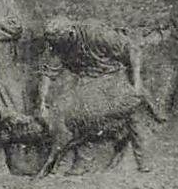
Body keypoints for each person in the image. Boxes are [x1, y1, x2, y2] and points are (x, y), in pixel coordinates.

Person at [36, 15, 156, 173]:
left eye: (58, 41)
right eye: (53, 43)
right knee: (75, 114)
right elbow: (48, 73)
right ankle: (82, 160)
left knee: (131, 111)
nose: (55, 46)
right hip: (87, 80)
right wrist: (42, 103)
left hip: (114, 75)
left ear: (69, 33)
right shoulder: (59, 43)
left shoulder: (95, 32)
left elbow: (133, 51)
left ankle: (142, 162)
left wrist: (137, 83)